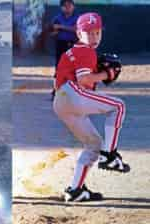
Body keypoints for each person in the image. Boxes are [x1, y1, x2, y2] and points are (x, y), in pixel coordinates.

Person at [53, 12, 130, 202]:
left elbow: (80, 80)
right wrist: (107, 74)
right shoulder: (86, 50)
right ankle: (109, 155)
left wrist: (97, 71)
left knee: (93, 144)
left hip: (61, 102)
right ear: (79, 34)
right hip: (71, 93)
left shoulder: (74, 51)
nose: (94, 37)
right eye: (89, 33)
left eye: (97, 33)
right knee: (118, 106)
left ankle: (76, 191)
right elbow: (84, 79)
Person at [51, 0, 79, 99]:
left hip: (73, 45)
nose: (67, 7)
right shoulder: (57, 18)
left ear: (73, 6)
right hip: (61, 45)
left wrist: (61, 27)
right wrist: (55, 31)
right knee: (59, 68)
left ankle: (73, 91)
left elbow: (76, 29)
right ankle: (56, 90)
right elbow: (53, 32)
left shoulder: (77, 18)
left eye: (69, 5)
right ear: (61, 7)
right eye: (65, 5)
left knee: (73, 68)